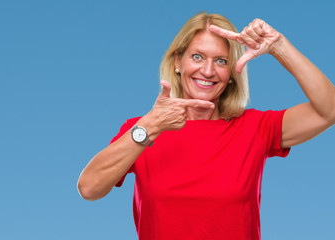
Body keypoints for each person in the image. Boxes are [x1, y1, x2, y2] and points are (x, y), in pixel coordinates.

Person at [77, 12, 335, 240]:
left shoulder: (256, 127)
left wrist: (279, 46)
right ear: (178, 62)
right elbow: (89, 188)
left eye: (221, 61)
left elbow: (329, 110)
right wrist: (151, 126)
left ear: (233, 72)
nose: (208, 70)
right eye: (197, 57)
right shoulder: (142, 129)